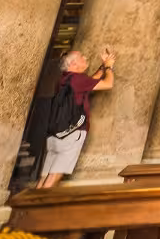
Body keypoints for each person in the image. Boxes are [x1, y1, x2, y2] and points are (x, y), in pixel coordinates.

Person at [38, 48, 114, 187]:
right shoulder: (78, 79)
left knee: (45, 176)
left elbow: (90, 82)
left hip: (55, 134)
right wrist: (109, 67)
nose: (85, 58)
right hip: (71, 134)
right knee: (53, 177)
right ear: (73, 64)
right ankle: (35, 207)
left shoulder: (65, 78)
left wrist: (103, 66)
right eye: (82, 57)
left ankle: (26, 205)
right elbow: (108, 84)